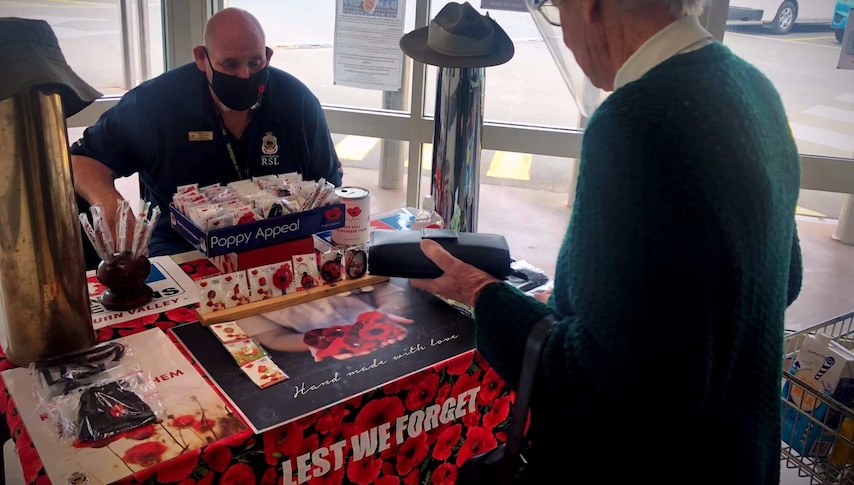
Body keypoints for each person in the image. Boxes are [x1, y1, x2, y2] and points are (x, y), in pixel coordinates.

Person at [409, 0, 803, 483]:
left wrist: (481, 293)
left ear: (589, 6)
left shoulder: (635, 121)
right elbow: (785, 278)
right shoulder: (753, 86)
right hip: (739, 455)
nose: (567, 36)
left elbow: (601, 383)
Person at [70, 7, 343, 261]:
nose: (244, 75)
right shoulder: (155, 103)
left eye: (255, 62)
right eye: (231, 64)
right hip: (181, 250)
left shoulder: (297, 101)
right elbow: (82, 159)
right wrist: (108, 202)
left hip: (279, 246)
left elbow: (328, 185)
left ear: (268, 57)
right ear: (202, 58)